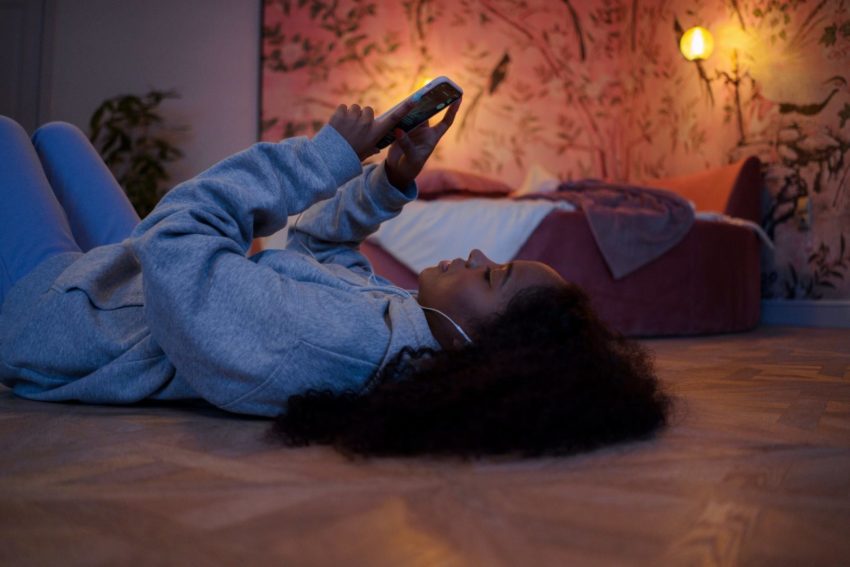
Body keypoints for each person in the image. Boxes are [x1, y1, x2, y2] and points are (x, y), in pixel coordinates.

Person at [0, 100, 670, 459]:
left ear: (478, 350)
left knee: (7, 134)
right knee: (57, 134)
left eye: (489, 274)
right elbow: (320, 242)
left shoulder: (337, 345)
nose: (471, 254)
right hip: (119, 281)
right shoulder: (398, 328)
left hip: (56, 313)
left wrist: (324, 156)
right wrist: (389, 180)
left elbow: (180, 241)